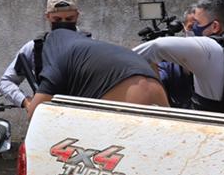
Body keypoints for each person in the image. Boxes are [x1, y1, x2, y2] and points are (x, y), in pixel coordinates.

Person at [134, 0, 224, 117]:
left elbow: (155, 47)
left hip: (210, 133)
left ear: (215, 27)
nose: (192, 30)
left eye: (197, 24)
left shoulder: (208, 49)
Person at [25, 28, 168, 113]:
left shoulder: (55, 53)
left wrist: (28, 104)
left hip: (127, 87)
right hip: (153, 83)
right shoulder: (87, 48)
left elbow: (36, 114)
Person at [0, 0, 86, 109]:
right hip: (47, 116)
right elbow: (7, 82)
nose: (63, 23)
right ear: (48, 17)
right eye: (57, 19)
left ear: (77, 15)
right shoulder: (35, 48)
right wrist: (26, 102)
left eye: (69, 19)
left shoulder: (90, 46)